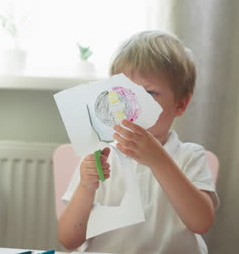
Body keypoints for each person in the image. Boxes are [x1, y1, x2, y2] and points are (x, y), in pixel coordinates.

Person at [58, 30, 219, 253]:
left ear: (180, 105)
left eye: (150, 93)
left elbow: (201, 223)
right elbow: (68, 240)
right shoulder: (99, 155)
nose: (133, 105)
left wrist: (159, 161)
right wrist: (86, 186)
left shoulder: (189, 156)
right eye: (123, 93)